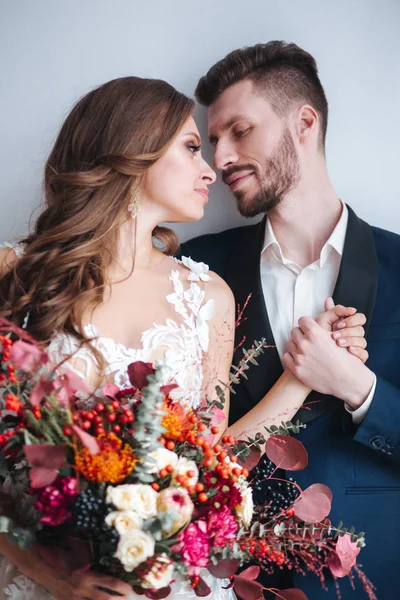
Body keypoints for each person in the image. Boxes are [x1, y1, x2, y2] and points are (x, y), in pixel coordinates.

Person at [0, 77, 367, 600]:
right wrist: (52, 573)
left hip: (162, 584)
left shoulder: (206, 295)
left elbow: (215, 456)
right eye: (193, 147)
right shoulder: (13, 273)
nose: (211, 167)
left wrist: (301, 375)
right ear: (133, 148)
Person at [181, 40, 400, 599]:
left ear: (305, 121)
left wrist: (359, 388)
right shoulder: (195, 271)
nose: (220, 157)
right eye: (211, 142)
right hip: (219, 578)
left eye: (239, 131)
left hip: (367, 578)